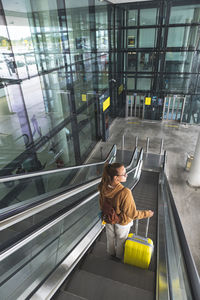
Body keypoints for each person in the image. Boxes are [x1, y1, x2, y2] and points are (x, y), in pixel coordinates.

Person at [98, 162, 154, 260]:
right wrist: (147, 214)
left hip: (108, 218)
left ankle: (111, 253)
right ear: (116, 178)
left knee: (110, 237)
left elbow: (101, 203)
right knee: (121, 240)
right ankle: (119, 256)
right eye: (124, 174)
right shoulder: (125, 192)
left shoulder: (103, 185)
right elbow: (133, 214)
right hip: (122, 222)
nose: (126, 175)